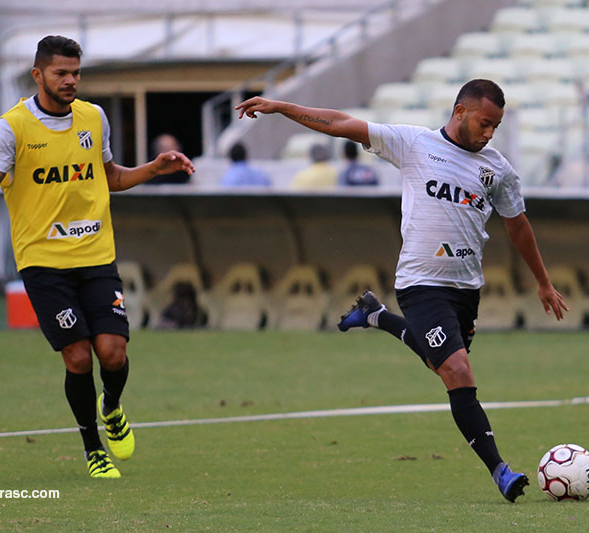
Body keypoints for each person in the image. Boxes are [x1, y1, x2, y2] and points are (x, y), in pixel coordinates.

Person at [236, 79, 568, 502]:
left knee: (439, 363)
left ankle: (375, 315)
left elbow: (517, 225)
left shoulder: (498, 170)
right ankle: (500, 470)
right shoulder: (414, 144)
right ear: (460, 111)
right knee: (457, 372)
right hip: (420, 284)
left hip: (466, 290)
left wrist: (542, 282)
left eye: (496, 127)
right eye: (484, 123)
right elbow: (340, 124)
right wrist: (281, 106)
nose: (488, 134)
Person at [0, 35, 195, 478]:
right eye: (61, 73)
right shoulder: (12, 127)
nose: (70, 81)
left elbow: (109, 178)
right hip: (43, 263)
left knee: (114, 353)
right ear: (38, 75)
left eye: (76, 73)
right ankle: (92, 448)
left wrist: (153, 168)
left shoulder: (93, 117)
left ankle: (113, 406)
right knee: (79, 358)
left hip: (96, 254)